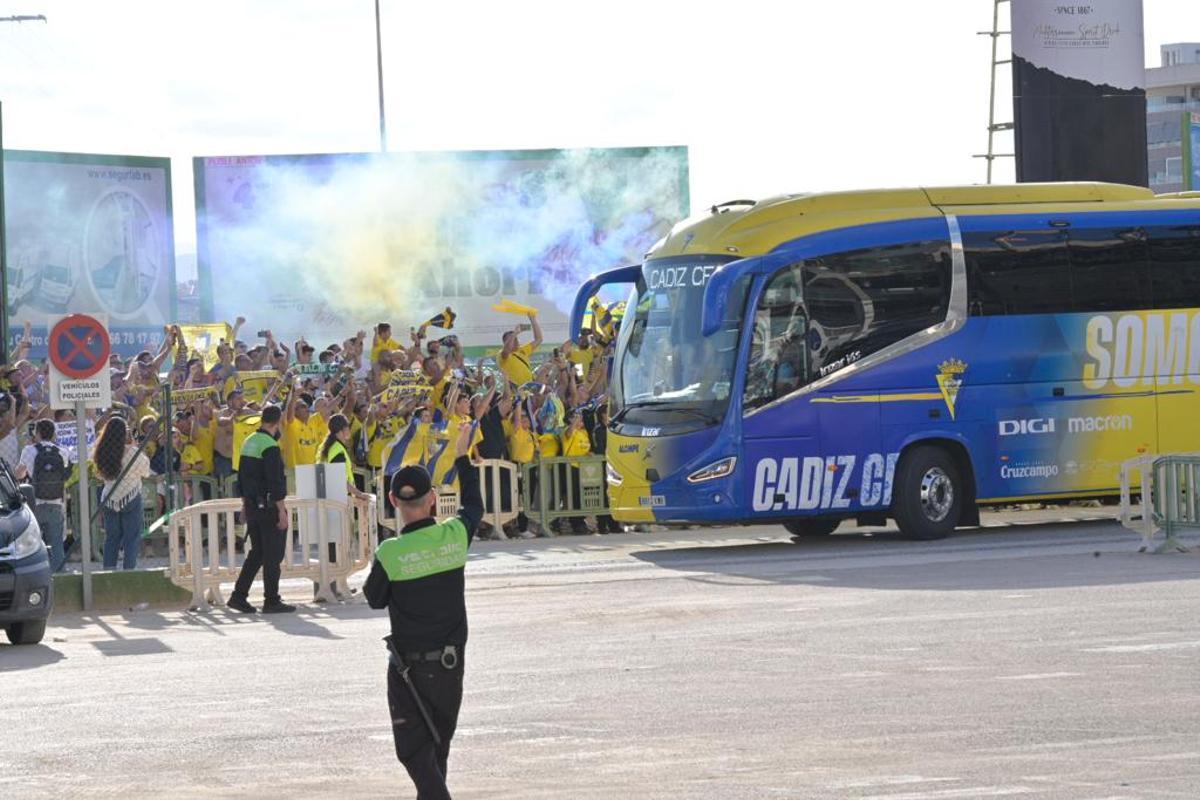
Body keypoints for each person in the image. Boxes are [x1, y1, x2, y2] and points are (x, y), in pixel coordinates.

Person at [365, 422, 481, 799]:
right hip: (450, 666)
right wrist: (462, 456)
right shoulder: (455, 535)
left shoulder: (390, 553)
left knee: (415, 752)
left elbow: (374, 598)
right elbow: (475, 506)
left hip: (410, 670)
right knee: (436, 747)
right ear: (432, 499)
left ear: (394, 502)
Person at [227, 405, 295, 614]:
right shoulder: (270, 446)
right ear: (278, 421)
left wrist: (244, 505)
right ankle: (271, 600)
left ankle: (238, 596)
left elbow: (242, 478)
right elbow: (275, 483)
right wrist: (282, 511)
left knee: (257, 553)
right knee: (273, 555)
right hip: (268, 508)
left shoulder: (249, 442)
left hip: (252, 506)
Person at [94, 416, 152, 570]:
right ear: (125, 434)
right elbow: (146, 472)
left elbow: (99, 475)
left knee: (111, 538)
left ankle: (108, 571)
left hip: (109, 498)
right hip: (131, 496)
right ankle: (128, 572)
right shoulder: (133, 452)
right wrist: (134, 446)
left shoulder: (101, 451)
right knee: (131, 539)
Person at [17, 419, 72, 572]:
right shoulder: (62, 451)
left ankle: (37, 571)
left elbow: (19, 474)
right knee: (57, 542)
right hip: (56, 502)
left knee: (34, 541)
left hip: (35, 502)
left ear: (37, 433)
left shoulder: (29, 450)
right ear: (54, 433)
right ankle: (59, 572)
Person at [497, 312, 542, 387]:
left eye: (516, 339)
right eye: (512, 339)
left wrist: (532, 319)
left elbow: (539, 339)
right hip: (516, 391)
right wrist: (514, 334)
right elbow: (506, 349)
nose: (516, 341)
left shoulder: (522, 350)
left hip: (529, 388)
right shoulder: (501, 355)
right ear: (505, 343)